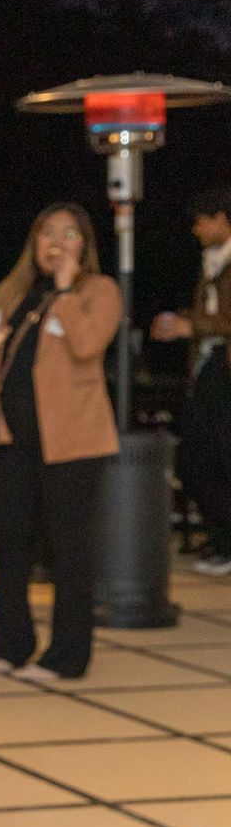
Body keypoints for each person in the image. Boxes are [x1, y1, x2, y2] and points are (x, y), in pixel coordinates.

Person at [0, 203, 121, 682]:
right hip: (11, 439)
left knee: (68, 550)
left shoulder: (99, 291)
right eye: (47, 234)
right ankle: (11, 646)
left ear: (86, 245)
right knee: (11, 546)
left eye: (70, 234)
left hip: (72, 442)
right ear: (33, 242)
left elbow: (87, 346)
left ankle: (67, 656)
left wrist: (65, 290)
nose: (57, 243)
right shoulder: (13, 294)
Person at [151, 185, 231, 575]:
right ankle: (221, 536)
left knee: (208, 456)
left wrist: (189, 326)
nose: (196, 230)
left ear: (220, 219)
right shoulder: (213, 262)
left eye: (200, 221)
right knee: (199, 458)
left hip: (222, 367)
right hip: (208, 366)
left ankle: (224, 541)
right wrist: (181, 323)